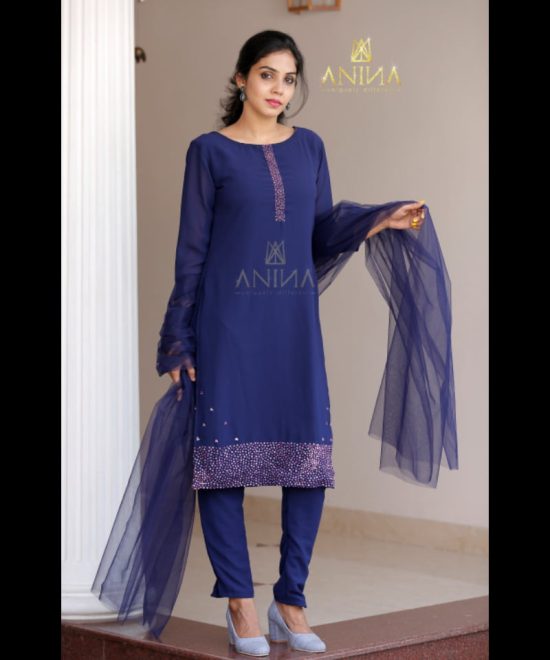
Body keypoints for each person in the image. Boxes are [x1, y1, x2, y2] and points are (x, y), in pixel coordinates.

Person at [91, 29, 456, 655]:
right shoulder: (208, 152)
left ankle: (290, 600)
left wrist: (378, 219)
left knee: (308, 461)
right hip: (227, 325)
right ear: (241, 78)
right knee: (222, 463)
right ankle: (239, 602)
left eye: (289, 79)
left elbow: (320, 234)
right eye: (267, 75)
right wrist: (177, 340)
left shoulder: (309, 147)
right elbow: (191, 253)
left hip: (292, 326)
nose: (278, 89)